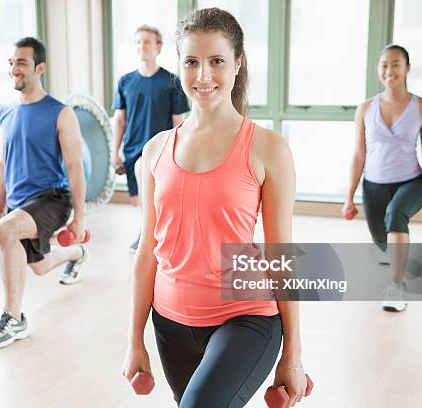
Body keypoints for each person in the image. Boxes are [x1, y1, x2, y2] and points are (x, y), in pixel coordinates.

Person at [122, 8, 306, 407]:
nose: (203, 76)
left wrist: (293, 353)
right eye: (191, 62)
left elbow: (280, 255)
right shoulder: (155, 151)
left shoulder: (267, 148)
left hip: (245, 316)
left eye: (217, 61)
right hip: (169, 321)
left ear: (238, 64)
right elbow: (147, 252)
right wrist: (134, 339)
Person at [0, 37, 89, 350]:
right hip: (19, 203)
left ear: (39, 68)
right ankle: (76, 256)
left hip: (52, 199)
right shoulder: (7, 112)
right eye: (11, 63)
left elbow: (75, 167)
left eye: (22, 63)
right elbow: (2, 164)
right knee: (39, 267)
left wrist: (79, 217)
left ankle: (13, 318)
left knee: (7, 231)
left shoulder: (60, 113)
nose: (14, 69)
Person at [343, 44, 422, 312]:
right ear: (378, 70)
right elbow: (359, 154)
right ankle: (393, 251)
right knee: (382, 240)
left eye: (396, 64)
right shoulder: (365, 108)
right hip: (374, 184)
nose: (389, 70)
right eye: (384, 65)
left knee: (396, 215)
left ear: (407, 68)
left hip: (411, 181)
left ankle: (397, 286)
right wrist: (349, 198)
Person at [111, 24, 189, 251]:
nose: (141, 46)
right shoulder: (125, 82)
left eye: (146, 42)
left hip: (162, 150)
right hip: (132, 149)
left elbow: (179, 122)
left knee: (156, 199)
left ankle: (149, 236)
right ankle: (154, 233)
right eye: (138, 42)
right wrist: (114, 152)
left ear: (158, 47)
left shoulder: (171, 82)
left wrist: (181, 153)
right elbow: (119, 120)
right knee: (138, 200)